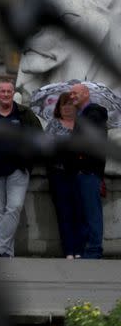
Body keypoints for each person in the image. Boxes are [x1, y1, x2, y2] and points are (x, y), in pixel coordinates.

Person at [0, 79, 42, 258]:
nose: (6, 94)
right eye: (3, 91)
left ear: (13, 94)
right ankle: (7, 252)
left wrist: (29, 157)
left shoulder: (24, 114)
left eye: (9, 91)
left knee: (14, 207)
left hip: (18, 170)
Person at [69, 82, 108, 259]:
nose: (72, 96)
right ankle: (90, 249)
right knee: (87, 212)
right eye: (71, 94)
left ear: (86, 94)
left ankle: (93, 250)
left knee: (92, 213)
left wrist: (80, 159)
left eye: (75, 93)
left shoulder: (93, 114)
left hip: (88, 170)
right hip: (85, 170)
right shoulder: (85, 114)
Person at [44, 92, 80, 259]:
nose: (66, 107)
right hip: (59, 172)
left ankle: (79, 249)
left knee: (79, 211)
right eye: (63, 104)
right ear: (58, 107)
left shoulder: (82, 125)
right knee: (64, 211)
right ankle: (69, 250)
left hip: (79, 173)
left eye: (70, 104)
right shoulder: (53, 125)